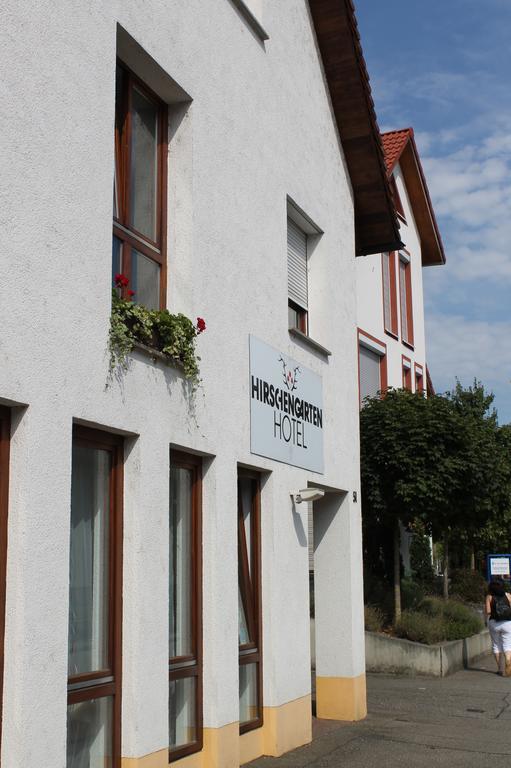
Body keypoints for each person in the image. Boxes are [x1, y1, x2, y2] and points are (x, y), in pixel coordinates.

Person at [485, 578, 511, 676]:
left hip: (494, 623)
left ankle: (500, 669)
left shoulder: (489, 597)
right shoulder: (508, 595)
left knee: (496, 645)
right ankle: (508, 661)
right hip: (508, 623)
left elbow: (488, 611)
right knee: (507, 645)